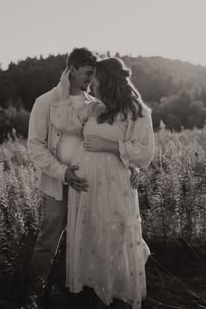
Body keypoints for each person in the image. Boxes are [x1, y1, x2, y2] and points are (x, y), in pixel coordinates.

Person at [27, 48, 139, 305]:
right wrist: (63, 173)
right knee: (49, 238)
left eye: (94, 74)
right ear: (72, 69)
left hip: (92, 185)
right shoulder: (46, 102)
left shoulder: (96, 104)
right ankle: (37, 290)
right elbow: (35, 146)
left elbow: (117, 138)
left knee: (89, 238)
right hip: (58, 182)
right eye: (88, 73)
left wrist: (132, 166)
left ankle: (86, 288)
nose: (92, 79)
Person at [51, 57, 154, 309]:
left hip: (114, 184)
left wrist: (110, 146)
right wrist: (65, 87)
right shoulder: (93, 107)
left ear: (107, 80)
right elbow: (61, 121)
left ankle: (116, 293)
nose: (91, 84)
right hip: (86, 186)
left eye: (95, 78)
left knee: (114, 233)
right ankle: (97, 291)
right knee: (92, 235)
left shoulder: (137, 111)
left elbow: (145, 152)